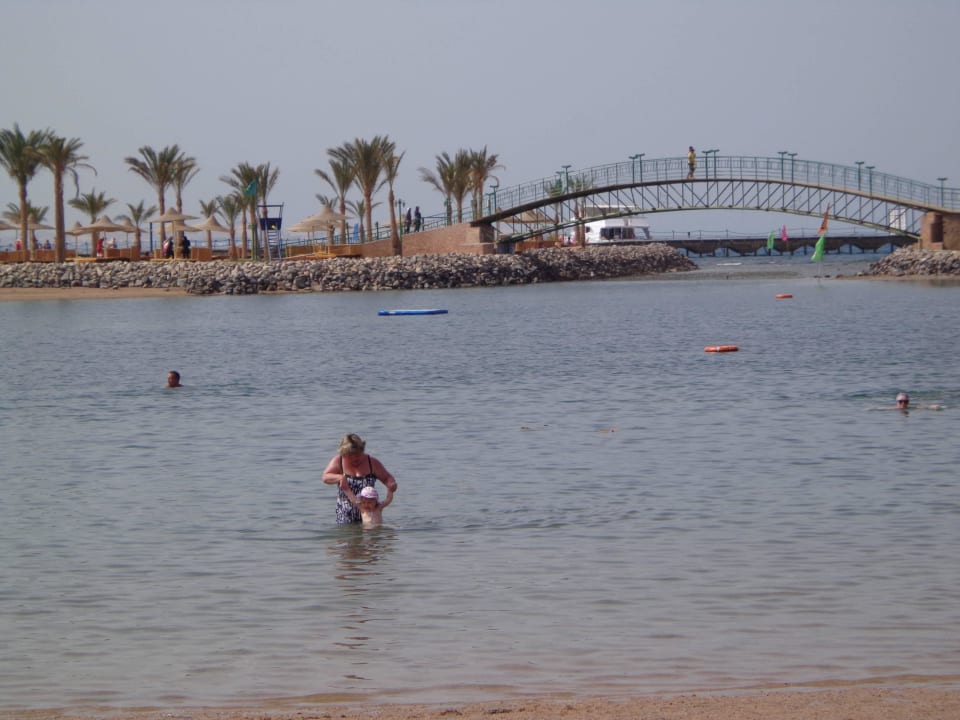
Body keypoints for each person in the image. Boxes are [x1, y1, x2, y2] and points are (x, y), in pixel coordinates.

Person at [322, 433, 398, 525]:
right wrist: (340, 478)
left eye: (357, 454)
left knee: (371, 535)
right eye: (350, 455)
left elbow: (387, 478)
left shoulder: (372, 462)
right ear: (344, 453)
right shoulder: (339, 461)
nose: (354, 458)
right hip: (345, 514)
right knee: (346, 538)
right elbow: (325, 477)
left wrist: (392, 484)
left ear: (362, 450)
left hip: (370, 511)